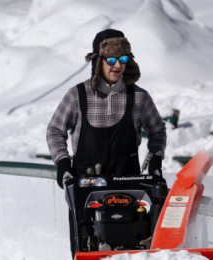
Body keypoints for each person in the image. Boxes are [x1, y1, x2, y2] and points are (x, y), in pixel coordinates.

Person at [47, 28, 167, 188]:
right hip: (85, 192)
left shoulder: (139, 97)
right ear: (97, 61)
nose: (117, 65)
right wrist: (63, 164)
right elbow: (55, 131)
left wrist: (155, 162)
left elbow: (158, 131)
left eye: (123, 59)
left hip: (129, 192)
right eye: (111, 60)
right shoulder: (77, 96)